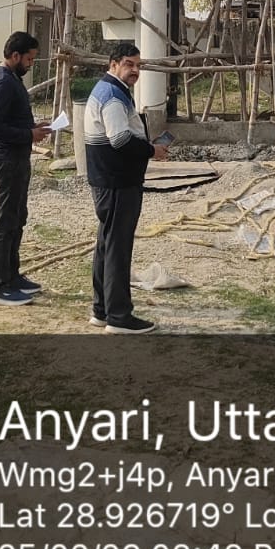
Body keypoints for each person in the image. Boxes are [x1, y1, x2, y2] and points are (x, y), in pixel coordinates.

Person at [83, 42, 168, 333]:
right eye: (129, 64)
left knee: (107, 245)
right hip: (117, 181)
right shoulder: (112, 95)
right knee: (117, 249)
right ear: (114, 64)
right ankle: (119, 316)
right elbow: (119, 139)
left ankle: (102, 310)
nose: (135, 70)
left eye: (138, 66)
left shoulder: (111, 90)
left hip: (109, 179)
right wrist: (151, 150)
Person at [0, 31, 51, 307]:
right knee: (6, 221)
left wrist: (33, 128)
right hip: (6, 158)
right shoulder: (2, 82)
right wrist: (28, 135)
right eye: (29, 59)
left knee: (17, 217)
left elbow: (11, 120)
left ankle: (12, 276)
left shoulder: (13, 79)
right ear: (15, 56)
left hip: (18, 157)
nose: (31, 64)